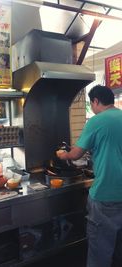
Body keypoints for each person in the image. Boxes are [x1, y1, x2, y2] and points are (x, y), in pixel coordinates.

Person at [57, 84, 122, 267]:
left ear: (95, 101)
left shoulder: (97, 120)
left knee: (99, 253)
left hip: (105, 195)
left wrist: (63, 155)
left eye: (91, 104)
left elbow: (76, 154)